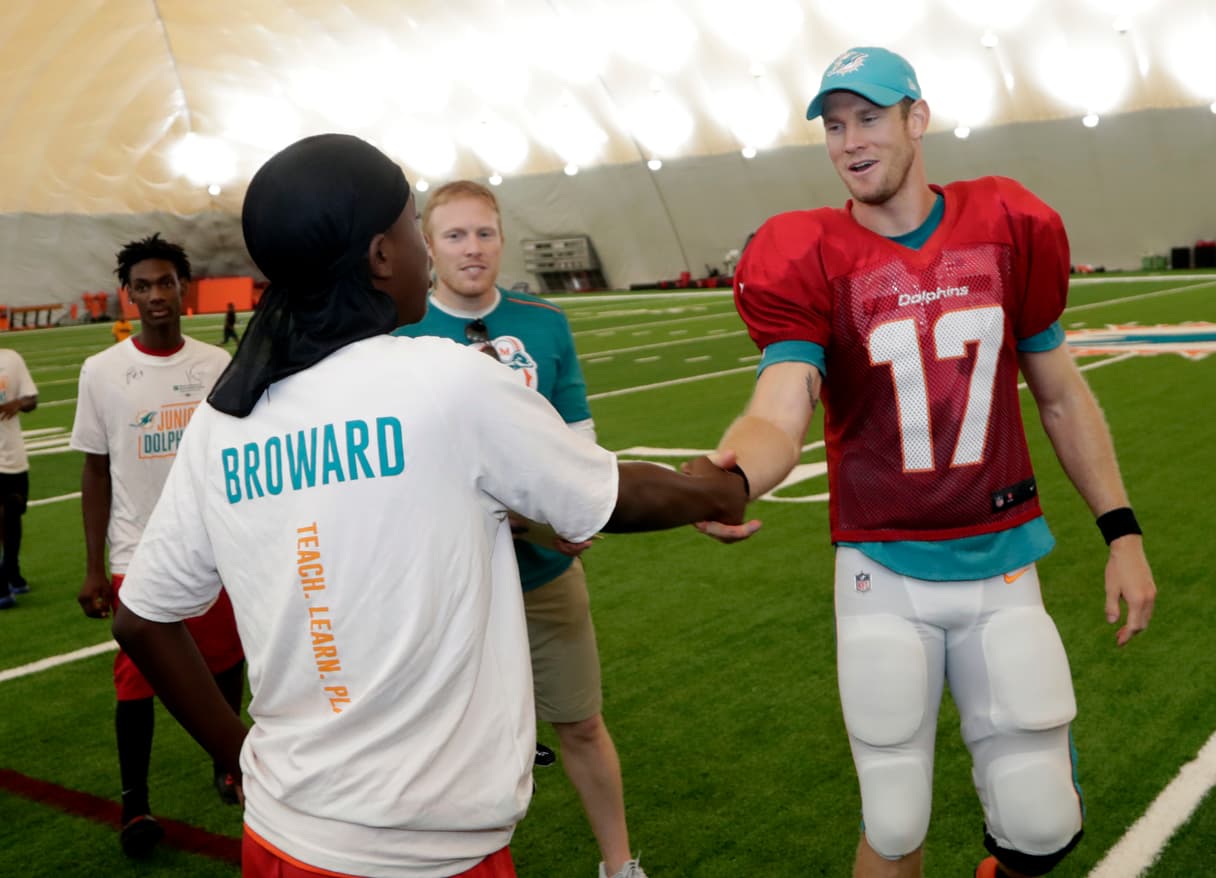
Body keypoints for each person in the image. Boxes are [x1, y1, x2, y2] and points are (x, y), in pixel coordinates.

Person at [109, 133, 747, 878]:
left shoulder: (223, 420)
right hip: (428, 856)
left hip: (280, 837)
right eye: (415, 227)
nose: (427, 248)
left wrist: (238, 754)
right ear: (382, 255)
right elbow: (611, 499)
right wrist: (720, 489)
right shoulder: (446, 381)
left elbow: (141, 619)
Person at [692, 47, 1157, 878]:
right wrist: (732, 477)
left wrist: (1120, 531)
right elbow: (779, 407)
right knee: (894, 817)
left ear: (918, 118)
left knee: (1041, 822)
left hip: (1002, 557)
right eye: (835, 126)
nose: (850, 141)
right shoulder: (810, 251)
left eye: (869, 118)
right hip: (882, 567)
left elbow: (1059, 394)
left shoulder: (1006, 224)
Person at [396, 180, 644, 878]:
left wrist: (571, 509)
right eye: (455, 235)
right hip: (451, 578)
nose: (472, 249)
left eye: (484, 233)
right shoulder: (400, 336)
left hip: (545, 574)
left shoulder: (544, 322)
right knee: (447, 740)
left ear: (502, 239)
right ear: (428, 246)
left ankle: (620, 865)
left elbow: (577, 438)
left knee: (582, 723)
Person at [72, 233, 246, 858]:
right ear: (128, 295)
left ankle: (228, 763)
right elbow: (95, 470)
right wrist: (94, 567)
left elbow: (238, 456)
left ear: (183, 288)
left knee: (227, 661)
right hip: (137, 552)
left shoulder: (216, 365)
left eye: (165, 283)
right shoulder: (102, 372)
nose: (154, 296)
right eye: (142, 286)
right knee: (135, 681)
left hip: (214, 547)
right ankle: (135, 805)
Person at [0, 347, 37, 609]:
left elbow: (31, 399)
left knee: (13, 515)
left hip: (12, 455)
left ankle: (11, 571)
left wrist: (19, 403)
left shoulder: (11, 358)